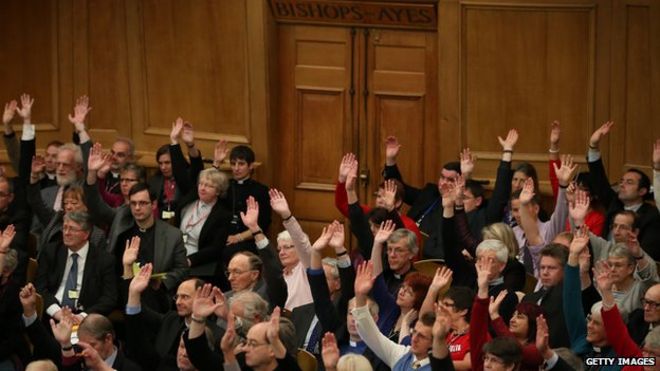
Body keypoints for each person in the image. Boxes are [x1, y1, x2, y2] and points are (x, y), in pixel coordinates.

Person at [587, 121, 660, 260]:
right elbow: (599, 179)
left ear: (642, 191)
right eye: (621, 181)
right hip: (603, 265)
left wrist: (657, 168)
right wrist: (593, 146)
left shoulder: (651, 216)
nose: (622, 185)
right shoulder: (615, 204)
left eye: (629, 182)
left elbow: (647, 255)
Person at [125, 264, 218, 371]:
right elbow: (139, 312)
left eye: (185, 297)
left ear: (203, 298)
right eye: (177, 297)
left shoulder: (216, 335)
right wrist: (133, 291)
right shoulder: (171, 320)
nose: (178, 302)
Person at [352, 260, 436, 370]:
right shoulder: (402, 354)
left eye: (422, 336)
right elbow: (369, 333)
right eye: (414, 332)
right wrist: (360, 295)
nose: (414, 338)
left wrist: (434, 289)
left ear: (434, 343)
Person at [36, 211, 118, 320]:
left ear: (86, 234)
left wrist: (83, 316)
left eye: (72, 229)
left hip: (85, 317)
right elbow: (40, 287)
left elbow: (109, 298)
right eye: (64, 228)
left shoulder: (104, 260)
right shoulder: (51, 251)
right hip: (53, 313)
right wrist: (56, 312)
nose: (66, 233)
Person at [213, 141, 271, 254]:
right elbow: (206, 186)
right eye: (233, 163)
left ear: (250, 166)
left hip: (248, 240)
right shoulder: (225, 185)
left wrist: (238, 237)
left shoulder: (261, 190)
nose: (236, 168)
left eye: (241, 164)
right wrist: (216, 163)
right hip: (223, 237)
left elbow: (263, 223)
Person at [469, 258, 525, 371]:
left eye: (494, 360)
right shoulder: (481, 368)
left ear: (509, 366)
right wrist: (483, 288)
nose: (487, 365)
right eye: (486, 358)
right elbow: (477, 329)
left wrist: (495, 316)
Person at [268, 189, 314, 311]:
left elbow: (302, 243)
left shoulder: (306, 269)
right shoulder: (279, 275)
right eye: (279, 249)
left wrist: (287, 216)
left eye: (287, 248)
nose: (282, 253)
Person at [50, 312, 141, 371]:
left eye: (92, 345)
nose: (85, 351)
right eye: (83, 345)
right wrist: (65, 343)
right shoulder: (80, 358)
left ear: (108, 339)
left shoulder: (130, 368)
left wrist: (99, 365)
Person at [221, 307, 301, 371]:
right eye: (246, 343)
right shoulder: (245, 365)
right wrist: (227, 352)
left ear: (271, 350)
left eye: (253, 344)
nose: (245, 349)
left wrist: (274, 340)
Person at [0, 229, 31, 370]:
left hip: (5, 352)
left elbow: (13, 340)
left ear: (6, 271)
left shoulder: (13, 295)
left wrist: (1, 252)